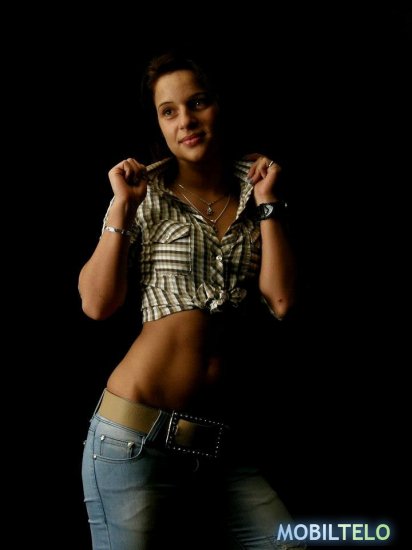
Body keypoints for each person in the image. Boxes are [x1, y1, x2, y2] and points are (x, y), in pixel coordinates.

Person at [80, 50, 300, 549]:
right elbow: (96, 304)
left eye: (197, 102)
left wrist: (268, 203)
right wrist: (121, 206)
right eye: (169, 111)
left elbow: (283, 301)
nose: (186, 120)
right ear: (159, 125)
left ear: (220, 104)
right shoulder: (143, 193)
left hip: (219, 443)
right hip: (133, 440)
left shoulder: (256, 188)